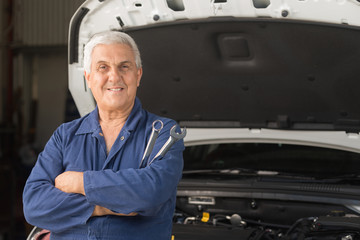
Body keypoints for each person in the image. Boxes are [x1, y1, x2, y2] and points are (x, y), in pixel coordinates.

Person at [23, 31, 184, 240]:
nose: (114, 76)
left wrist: (80, 183)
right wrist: (101, 207)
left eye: (124, 67)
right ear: (88, 78)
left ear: (138, 75)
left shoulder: (164, 132)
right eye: (103, 67)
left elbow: (151, 192)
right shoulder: (65, 135)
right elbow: (34, 205)